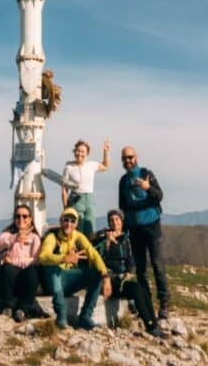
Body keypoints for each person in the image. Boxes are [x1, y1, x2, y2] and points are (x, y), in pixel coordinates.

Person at [94, 209, 166, 338]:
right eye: (111, 220)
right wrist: (106, 242)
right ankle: (150, 326)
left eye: (117, 219)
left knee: (143, 290)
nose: (114, 222)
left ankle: (154, 324)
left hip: (122, 278)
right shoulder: (104, 236)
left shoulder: (125, 239)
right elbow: (95, 252)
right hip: (108, 280)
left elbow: (130, 260)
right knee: (137, 290)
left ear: (122, 222)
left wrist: (128, 271)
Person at [118, 145, 170, 320]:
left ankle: (164, 304)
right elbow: (123, 207)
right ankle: (146, 303)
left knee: (157, 264)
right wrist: (122, 231)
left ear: (136, 157)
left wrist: (148, 187)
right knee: (140, 270)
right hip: (134, 229)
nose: (128, 161)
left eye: (130, 157)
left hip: (152, 226)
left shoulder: (147, 173)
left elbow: (159, 196)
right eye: (125, 158)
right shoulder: (123, 181)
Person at [39, 206, 112, 330]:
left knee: (97, 273)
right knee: (54, 269)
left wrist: (106, 277)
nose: (69, 224)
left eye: (73, 221)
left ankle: (85, 317)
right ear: (61, 221)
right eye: (66, 220)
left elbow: (92, 253)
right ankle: (61, 316)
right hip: (53, 282)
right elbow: (43, 256)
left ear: (76, 223)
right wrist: (63, 258)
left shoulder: (77, 236)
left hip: (68, 281)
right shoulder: (52, 237)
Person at [0, 203, 44, 321]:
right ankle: (7, 306)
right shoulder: (8, 234)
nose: (21, 219)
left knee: (32, 271)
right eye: (18, 216)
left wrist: (13, 261)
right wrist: (14, 238)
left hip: (25, 280)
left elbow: (35, 260)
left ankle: (23, 309)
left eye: (25, 216)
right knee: (7, 268)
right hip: (6, 281)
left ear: (30, 219)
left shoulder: (35, 238)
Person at [61, 138, 110, 236]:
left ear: (87, 154)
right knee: (77, 231)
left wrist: (105, 152)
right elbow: (64, 190)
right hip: (76, 200)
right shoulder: (69, 167)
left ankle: (88, 250)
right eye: (78, 151)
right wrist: (65, 208)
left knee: (90, 229)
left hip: (89, 200)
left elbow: (105, 166)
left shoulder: (91, 165)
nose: (80, 154)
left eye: (83, 151)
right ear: (74, 152)